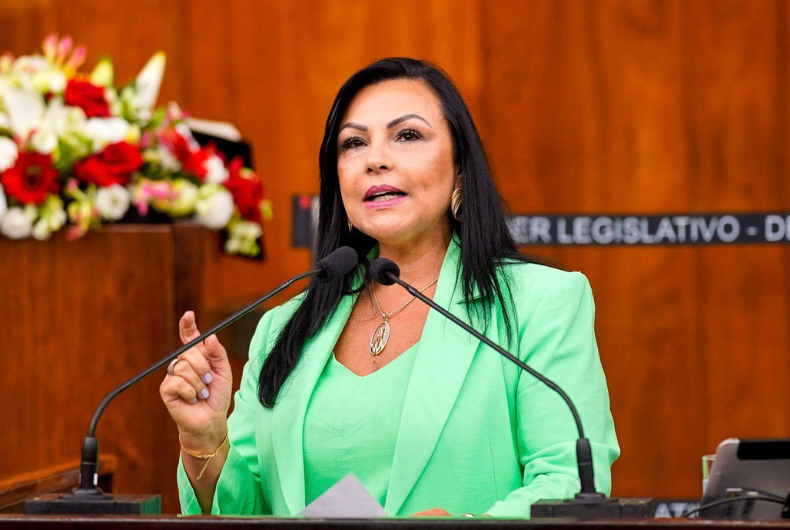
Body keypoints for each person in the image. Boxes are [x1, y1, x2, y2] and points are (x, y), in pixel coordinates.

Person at [160, 57, 619, 518]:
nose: (375, 159)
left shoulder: (539, 303)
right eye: (354, 143)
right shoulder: (281, 329)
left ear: (460, 167)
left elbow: (569, 486)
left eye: (408, 135)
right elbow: (245, 515)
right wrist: (205, 438)